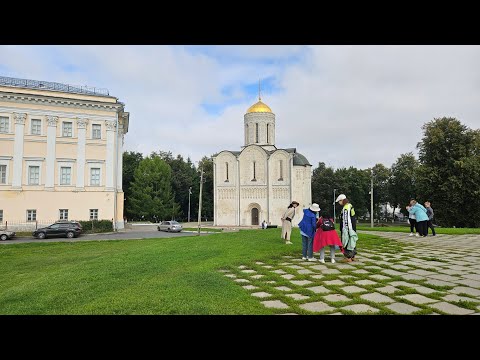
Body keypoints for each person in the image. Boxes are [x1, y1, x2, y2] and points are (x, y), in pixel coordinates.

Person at [336, 194, 358, 262]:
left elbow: (346, 219)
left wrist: (346, 229)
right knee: (352, 242)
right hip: (353, 227)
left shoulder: (346, 208)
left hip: (347, 228)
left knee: (347, 242)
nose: (339, 203)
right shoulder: (350, 206)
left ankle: (348, 257)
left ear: (342, 200)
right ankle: (353, 256)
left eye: (339, 201)